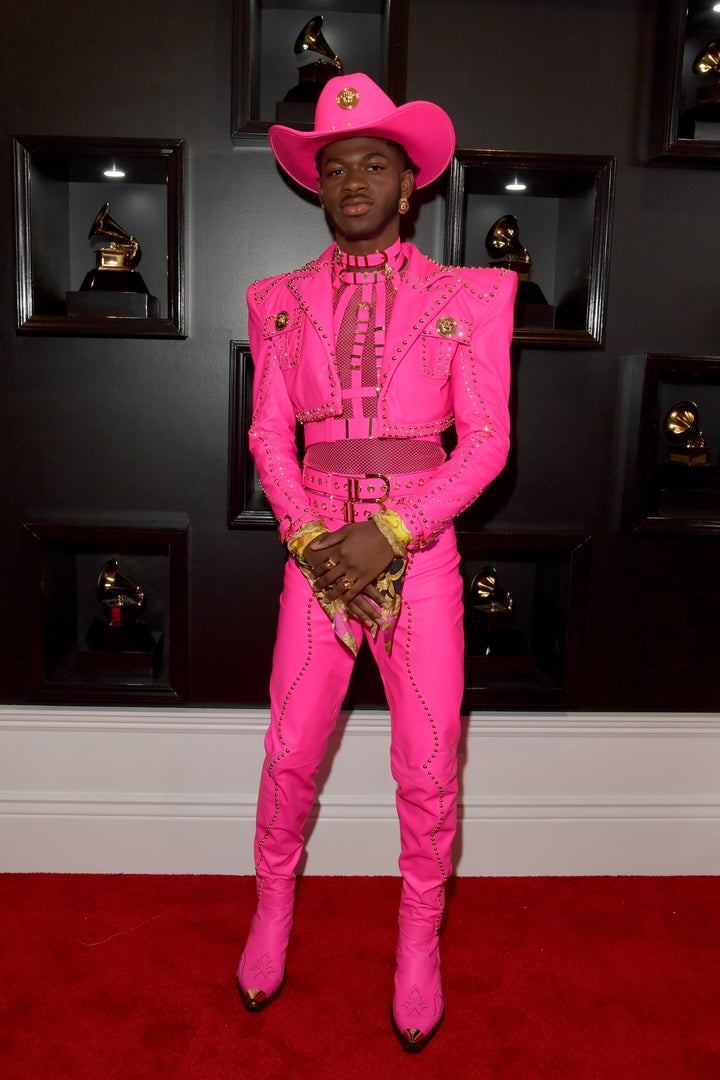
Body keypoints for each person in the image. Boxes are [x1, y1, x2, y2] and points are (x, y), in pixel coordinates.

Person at [237, 72, 517, 1052]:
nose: (352, 179)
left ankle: (417, 939)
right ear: (317, 185)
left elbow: (485, 443)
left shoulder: (468, 298)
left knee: (431, 764)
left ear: (409, 185)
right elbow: (270, 437)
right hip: (316, 556)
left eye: (374, 164)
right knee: (287, 751)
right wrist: (316, 540)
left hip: (421, 554)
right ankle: (272, 909)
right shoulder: (276, 303)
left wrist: (392, 531)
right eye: (335, 165)